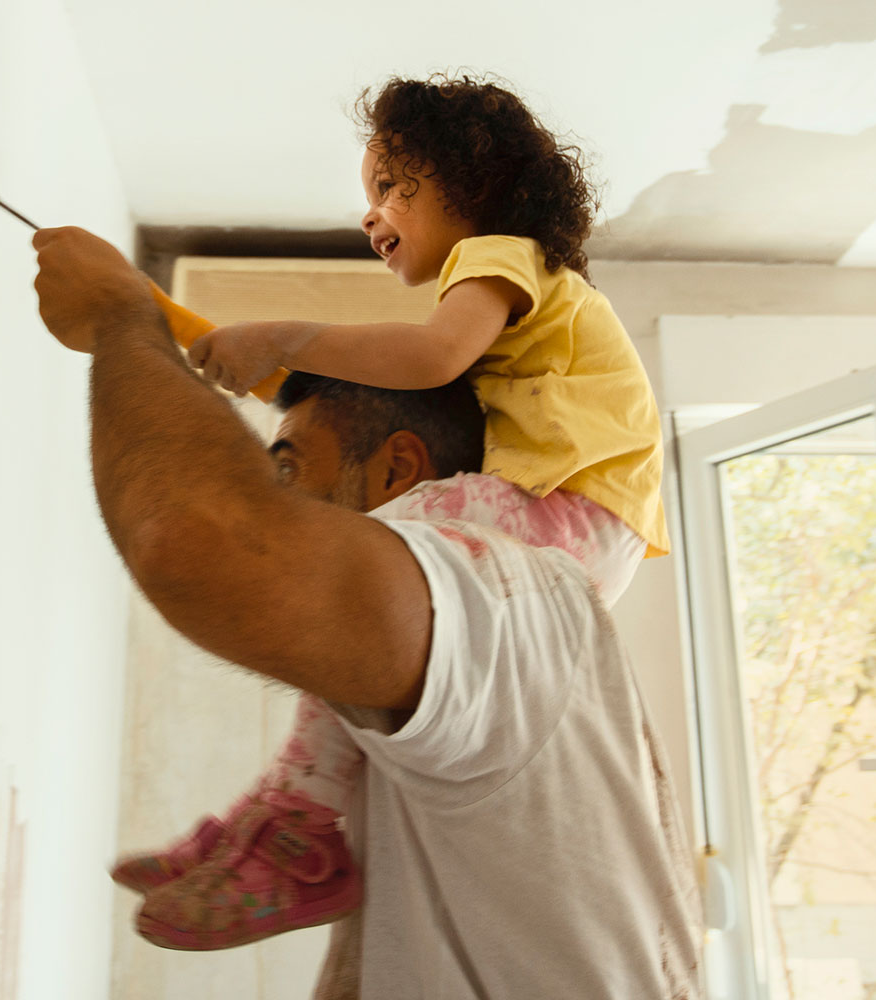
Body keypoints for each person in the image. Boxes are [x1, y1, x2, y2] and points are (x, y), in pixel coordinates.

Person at [32, 225, 699, 997]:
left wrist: (124, 320)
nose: (276, 504)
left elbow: (193, 541)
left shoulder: (506, 603)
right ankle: (281, 822)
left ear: (399, 469)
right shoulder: (447, 645)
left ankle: (290, 828)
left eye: (287, 471)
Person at [115, 73, 672, 952]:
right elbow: (346, 396)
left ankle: (296, 829)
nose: (370, 218)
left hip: (579, 514)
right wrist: (171, 330)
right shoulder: (520, 303)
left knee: (371, 558)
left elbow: (427, 355)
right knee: (373, 604)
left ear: (471, 184)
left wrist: (289, 333)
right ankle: (286, 813)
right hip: (586, 529)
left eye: (388, 189)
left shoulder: (502, 257)